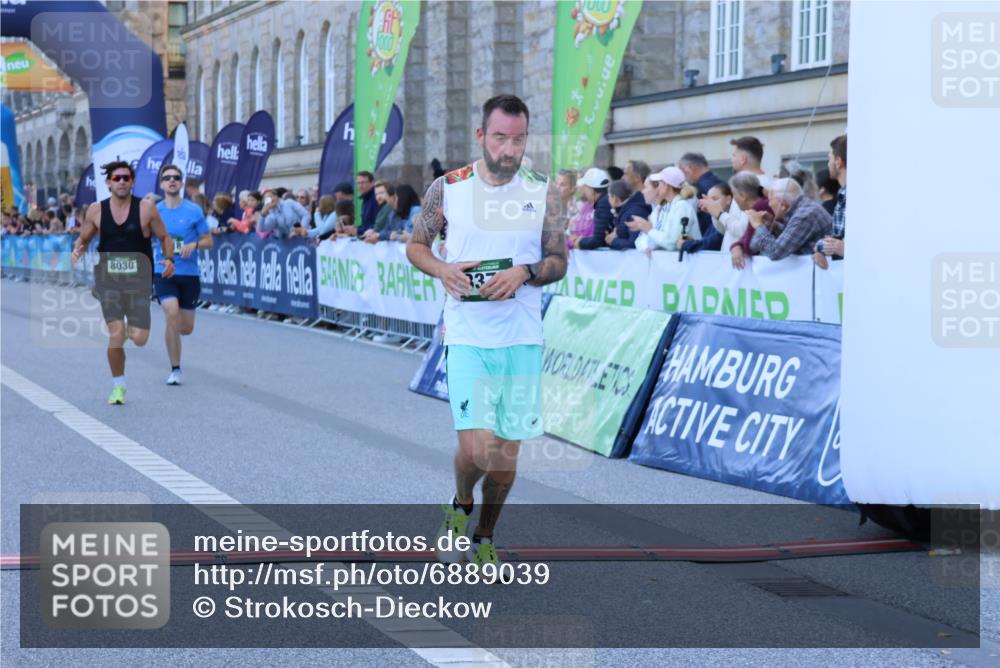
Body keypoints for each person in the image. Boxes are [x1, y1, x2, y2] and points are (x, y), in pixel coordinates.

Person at [406, 94, 567, 569]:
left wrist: (525, 272)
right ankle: (460, 504)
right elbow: (417, 246)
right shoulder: (448, 187)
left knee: (504, 456)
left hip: (521, 336)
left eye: (518, 139)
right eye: (500, 137)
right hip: (468, 334)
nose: (509, 149)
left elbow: (559, 262)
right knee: (475, 449)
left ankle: (484, 538)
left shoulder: (544, 191)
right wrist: (443, 269)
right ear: (481, 136)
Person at [71, 160, 176, 405]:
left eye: (126, 178)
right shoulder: (96, 210)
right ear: (108, 183)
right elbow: (84, 238)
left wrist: (170, 259)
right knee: (115, 334)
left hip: (139, 280)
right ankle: (118, 387)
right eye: (116, 178)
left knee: (140, 339)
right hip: (108, 281)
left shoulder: (147, 208)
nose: (121, 182)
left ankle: (130, 331)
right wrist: (78, 250)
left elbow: (165, 237)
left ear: (132, 182)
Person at [152, 164, 212, 386]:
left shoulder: (193, 210)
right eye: (167, 178)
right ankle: (175, 368)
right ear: (161, 184)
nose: (172, 180)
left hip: (189, 273)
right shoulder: (155, 211)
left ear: (182, 183)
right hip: (164, 270)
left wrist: (194, 245)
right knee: (171, 311)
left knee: (185, 328)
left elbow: (209, 240)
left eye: (176, 177)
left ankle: (173, 329)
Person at [749, 177, 831, 260]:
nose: (769, 204)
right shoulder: (802, 208)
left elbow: (775, 252)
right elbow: (753, 246)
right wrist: (774, 226)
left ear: (783, 205)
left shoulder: (804, 215)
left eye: (770, 200)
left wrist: (758, 225)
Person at [628, 166, 699, 251]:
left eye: (659, 183)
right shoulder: (668, 207)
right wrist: (646, 245)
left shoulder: (682, 206)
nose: (658, 187)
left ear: (666, 186)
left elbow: (671, 243)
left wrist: (648, 229)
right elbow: (660, 241)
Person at [728, 171, 774, 269]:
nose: (733, 199)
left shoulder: (760, 206)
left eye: (734, 194)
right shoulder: (763, 203)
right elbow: (745, 238)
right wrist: (736, 246)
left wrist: (737, 246)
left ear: (743, 196)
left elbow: (748, 247)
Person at [815, 134, 847, 269]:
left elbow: (838, 245)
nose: (828, 164)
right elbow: (835, 242)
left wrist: (820, 247)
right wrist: (819, 248)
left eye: (829, 159)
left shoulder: (856, 196)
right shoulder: (843, 193)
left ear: (838, 162)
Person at [604, 179, 651, 250]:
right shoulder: (626, 210)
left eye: (609, 196)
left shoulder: (634, 212)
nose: (608, 199)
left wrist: (613, 241)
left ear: (615, 198)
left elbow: (634, 243)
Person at [574, 167, 612, 250]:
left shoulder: (602, 205)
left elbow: (597, 240)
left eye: (586, 188)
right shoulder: (605, 200)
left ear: (591, 189)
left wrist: (580, 242)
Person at [357, 171, 377, 235]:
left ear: (372, 183)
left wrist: (357, 231)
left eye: (363, 182)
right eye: (358, 183)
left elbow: (377, 225)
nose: (360, 186)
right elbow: (365, 224)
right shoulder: (365, 199)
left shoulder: (375, 198)